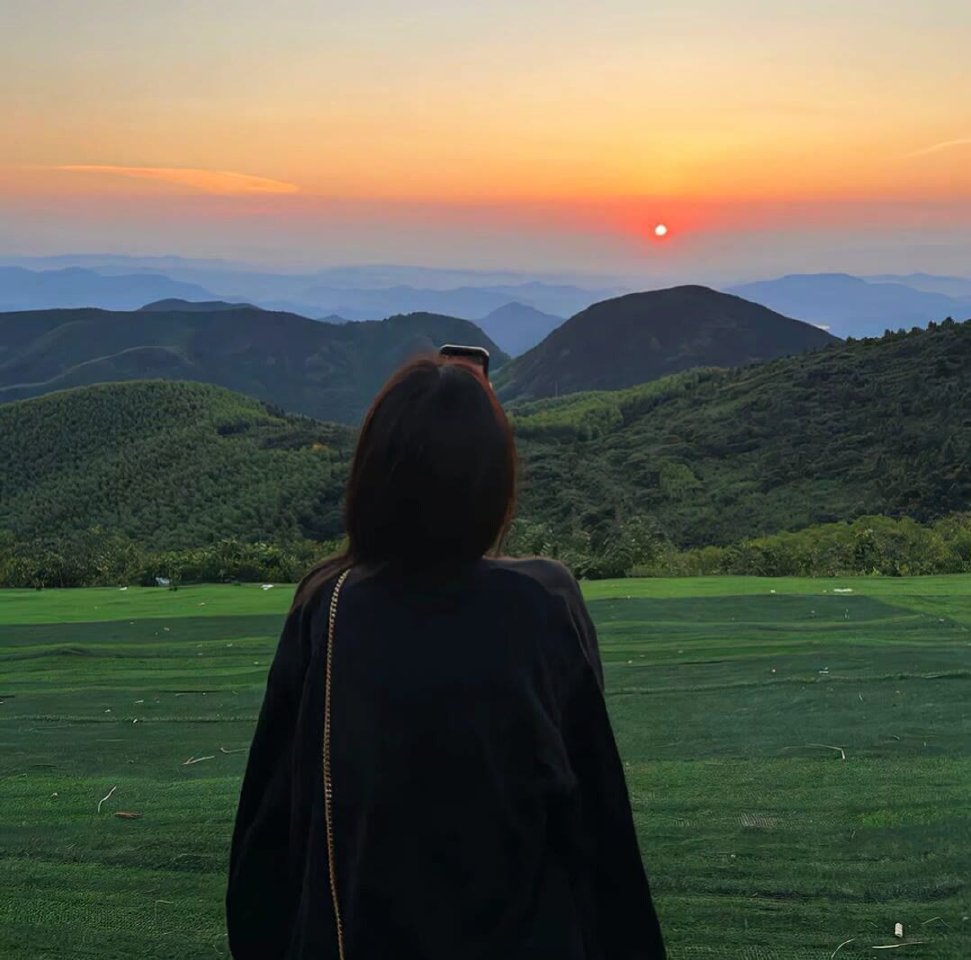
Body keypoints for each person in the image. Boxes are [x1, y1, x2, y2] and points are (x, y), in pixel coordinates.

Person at [226, 354, 666, 959]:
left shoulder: (328, 605)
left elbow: (267, 837)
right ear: (494, 482)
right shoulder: (543, 603)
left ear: (373, 476)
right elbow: (600, 834)